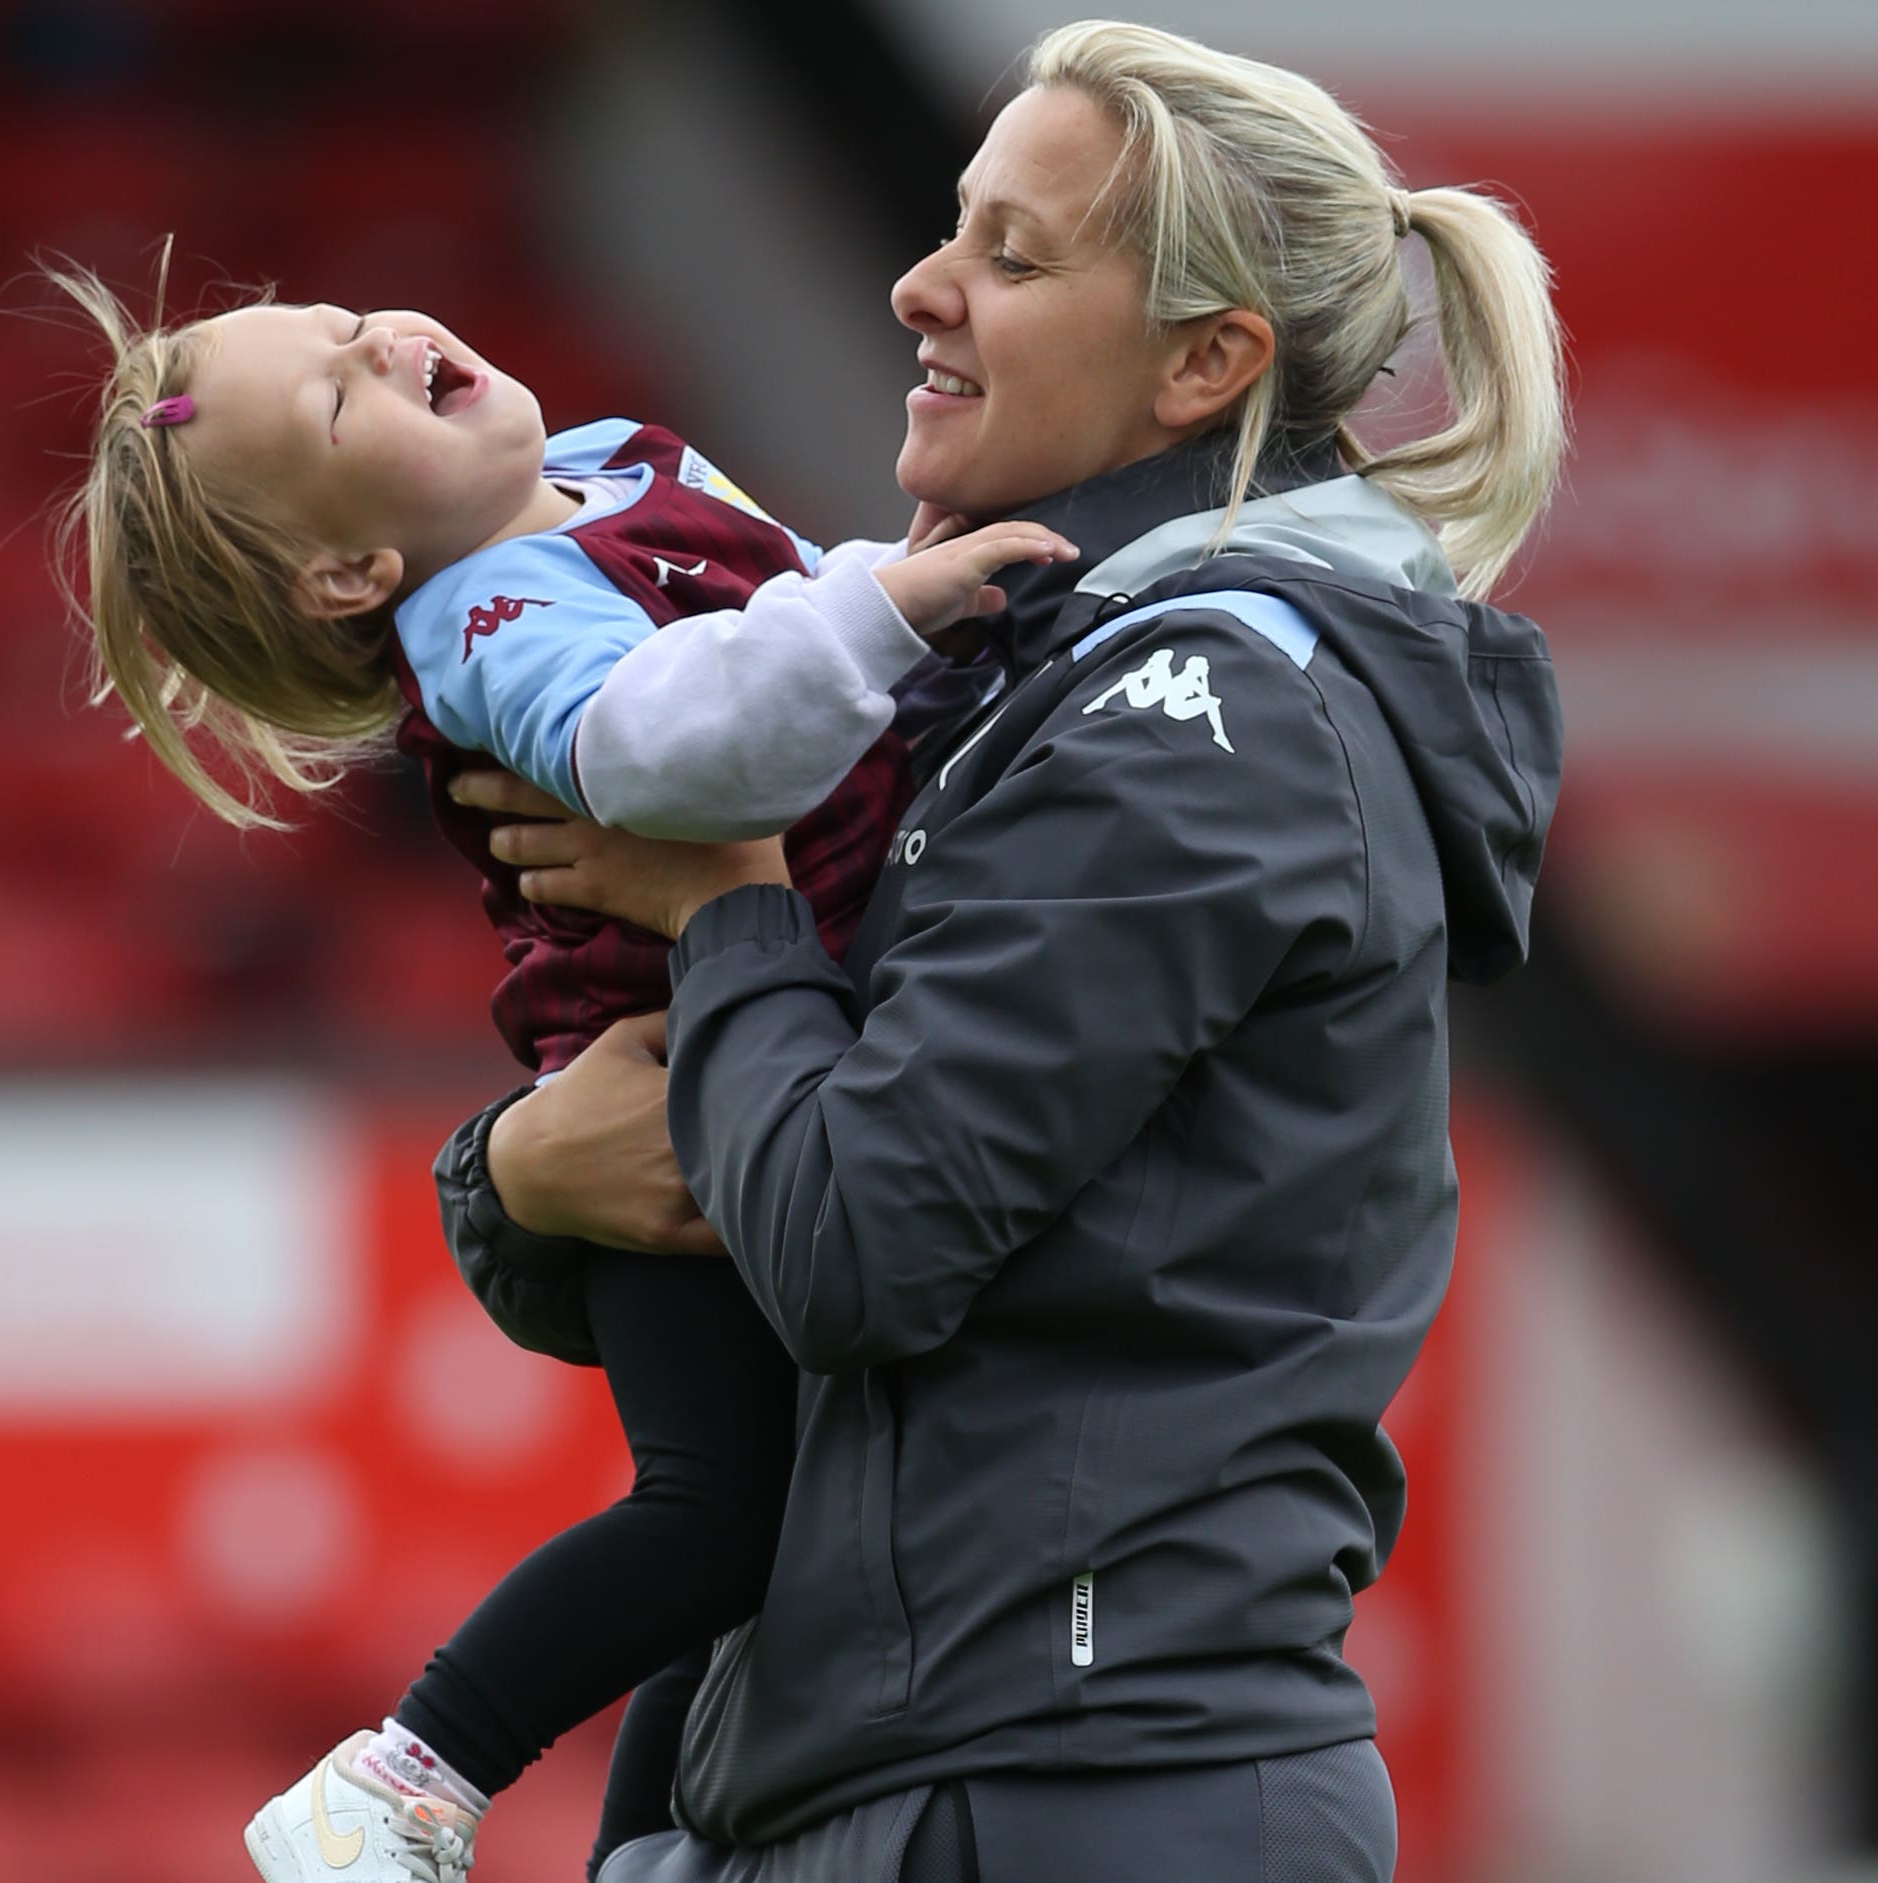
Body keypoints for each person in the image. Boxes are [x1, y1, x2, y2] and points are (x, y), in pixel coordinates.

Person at [452, 20, 1568, 1881]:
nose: (919, 284)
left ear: (1204, 365)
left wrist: (726, 898)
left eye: (1012, 256)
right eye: (951, 227)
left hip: (1077, 1797)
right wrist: (511, 1177)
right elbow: (722, 1196)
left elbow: (849, 1239)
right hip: (908, 1782)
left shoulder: (1203, 711)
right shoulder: (1004, 669)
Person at [43, 268, 1072, 1883]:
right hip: (658, 1098)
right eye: (337, 400)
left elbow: (803, 640)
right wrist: (892, 606)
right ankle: (402, 1779)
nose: (382, 341)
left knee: (757, 1548)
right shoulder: (489, 615)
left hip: (767, 1055)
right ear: (351, 572)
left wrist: (908, 636)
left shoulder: (616, 459)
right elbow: (674, 750)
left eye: (336, 323)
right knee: (716, 1520)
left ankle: (631, 1854)